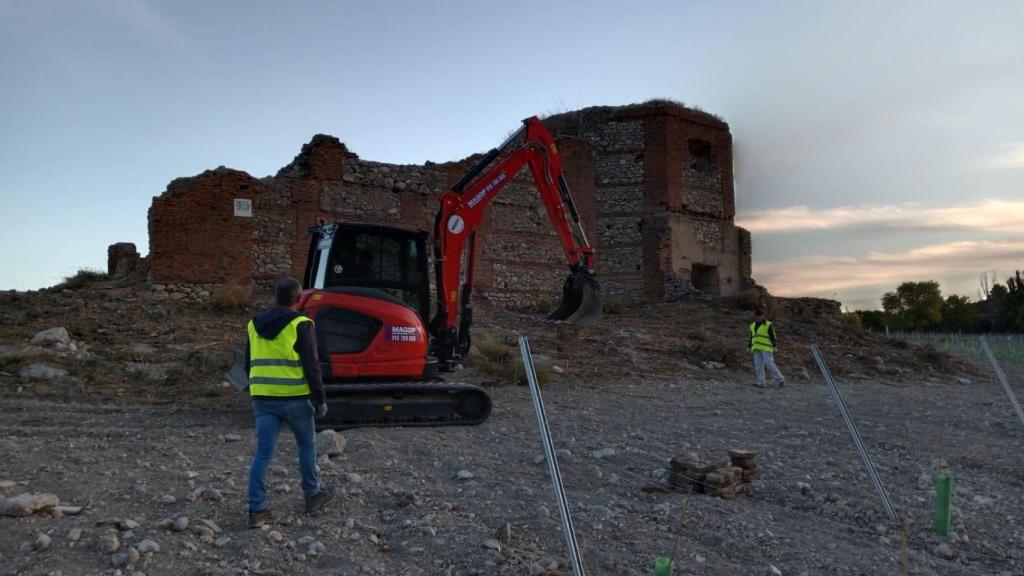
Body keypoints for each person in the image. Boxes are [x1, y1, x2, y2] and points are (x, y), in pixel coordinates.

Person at [245, 277, 334, 528]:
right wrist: (320, 399)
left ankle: (257, 510)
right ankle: (312, 495)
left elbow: (247, 363)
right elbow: (312, 365)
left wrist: (256, 389)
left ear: (276, 297)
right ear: (298, 299)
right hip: (295, 399)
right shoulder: (301, 324)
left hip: (263, 399)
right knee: (306, 445)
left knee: (263, 453)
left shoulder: (253, 324)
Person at [748, 305, 785, 389]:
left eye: (761, 315)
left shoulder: (768, 324)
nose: (759, 317)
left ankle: (781, 379)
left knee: (769, 364)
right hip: (756, 347)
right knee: (758, 365)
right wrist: (749, 346)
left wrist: (774, 345)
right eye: (758, 316)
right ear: (755, 316)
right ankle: (761, 383)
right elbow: (752, 336)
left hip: (766, 348)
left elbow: (773, 336)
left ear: (763, 315)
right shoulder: (752, 325)